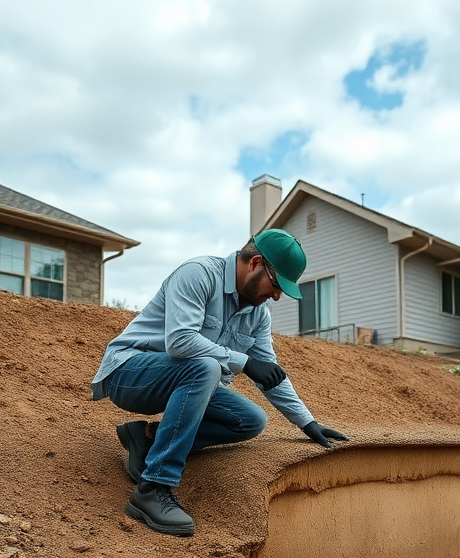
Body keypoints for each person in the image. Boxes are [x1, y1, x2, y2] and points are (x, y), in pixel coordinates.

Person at [91, 229, 347, 538]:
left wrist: (307, 422)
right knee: (206, 367)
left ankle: (145, 437)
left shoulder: (258, 315)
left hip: (185, 381)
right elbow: (181, 342)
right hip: (129, 373)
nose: (277, 296)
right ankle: (153, 487)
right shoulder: (198, 274)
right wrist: (244, 362)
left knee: (250, 420)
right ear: (255, 263)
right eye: (277, 285)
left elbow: (270, 372)